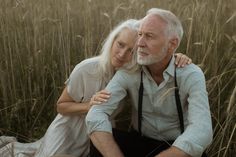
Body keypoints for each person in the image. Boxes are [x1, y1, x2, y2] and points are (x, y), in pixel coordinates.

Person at [0, 18, 191, 157]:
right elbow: (61, 106)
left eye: (131, 50)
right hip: (69, 129)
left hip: (103, 131)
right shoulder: (87, 68)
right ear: (112, 41)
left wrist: (178, 57)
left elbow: (161, 59)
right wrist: (90, 106)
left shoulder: (136, 74)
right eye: (120, 44)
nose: (122, 53)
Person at [86, 8, 213, 157]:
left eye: (149, 36)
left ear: (172, 44)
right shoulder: (130, 70)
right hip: (139, 142)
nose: (139, 43)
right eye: (140, 34)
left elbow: (202, 129)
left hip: (177, 147)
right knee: (101, 141)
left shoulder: (190, 74)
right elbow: (96, 113)